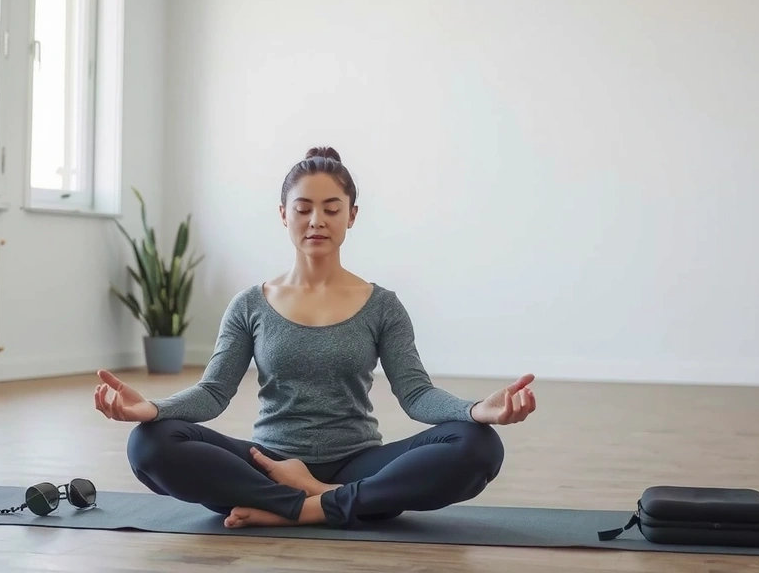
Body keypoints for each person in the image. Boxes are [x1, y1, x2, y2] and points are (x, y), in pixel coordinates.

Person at [94, 146, 537, 529]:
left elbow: (417, 394)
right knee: (148, 443)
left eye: (331, 208)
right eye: (303, 208)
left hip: (358, 464)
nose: (316, 221)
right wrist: (152, 409)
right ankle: (336, 504)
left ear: (352, 215)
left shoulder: (382, 305)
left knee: (477, 445)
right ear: (283, 214)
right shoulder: (250, 304)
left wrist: (476, 410)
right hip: (267, 464)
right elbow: (213, 392)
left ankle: (310, 505)